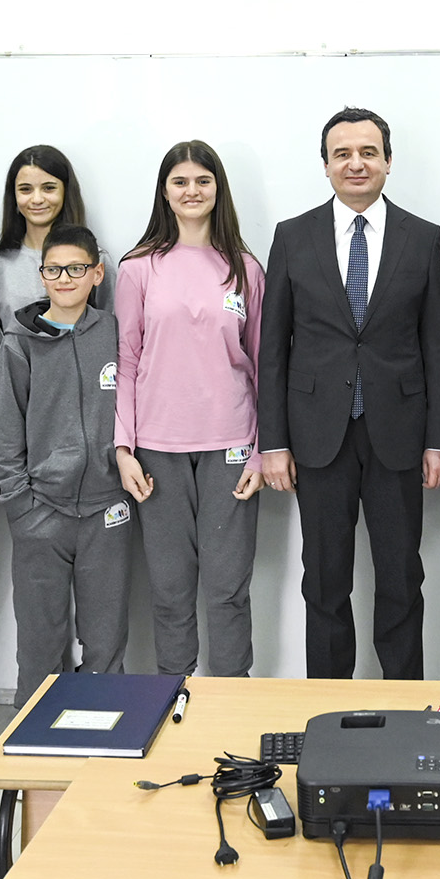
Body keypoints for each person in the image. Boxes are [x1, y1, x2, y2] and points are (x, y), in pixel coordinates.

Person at [257, 108, 440, 679]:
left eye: (368, 152)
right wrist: (274, 443)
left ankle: (405, 703)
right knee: (324, 581)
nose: (356, 163)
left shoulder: (423, 236)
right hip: (317, 436)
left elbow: (437, 345)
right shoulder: (293, 236)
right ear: (325, 166)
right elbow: (274, 348)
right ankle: (326, 704)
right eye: (342, 154)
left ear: (388, 161)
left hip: (400, 433)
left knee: (401, 578)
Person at [113, 142, 265, 678]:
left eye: (203, 180)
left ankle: (233, 698)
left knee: (228, 590)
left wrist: (262, 451)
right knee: (170, 589)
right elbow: (125, 361)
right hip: (158, 449)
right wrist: (124, 448)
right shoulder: (138, 268)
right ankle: (174, 697)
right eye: (180, 181)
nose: (192, 191)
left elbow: (263, 362)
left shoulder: (246, 268)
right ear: (165, 191)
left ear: (218, 189)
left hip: (232, 445)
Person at [0, 224, 133, 706]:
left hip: (107, 510)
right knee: (39, 640)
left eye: (76, 269)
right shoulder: (19, 341)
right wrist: (21, 505)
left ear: (97, 274)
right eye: (54, 270)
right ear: (42, 274)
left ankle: (104, 731)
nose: (65, 278)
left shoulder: (114, 333)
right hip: (41, 512)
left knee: (106, 638)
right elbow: (5, 429)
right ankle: (34, 737)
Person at [0, 145, 109, 327]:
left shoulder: (96, 259)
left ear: (66, 192)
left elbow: (109, 328)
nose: (37, 199)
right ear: (14, 196)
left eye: (48, 188)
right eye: (25, 189)